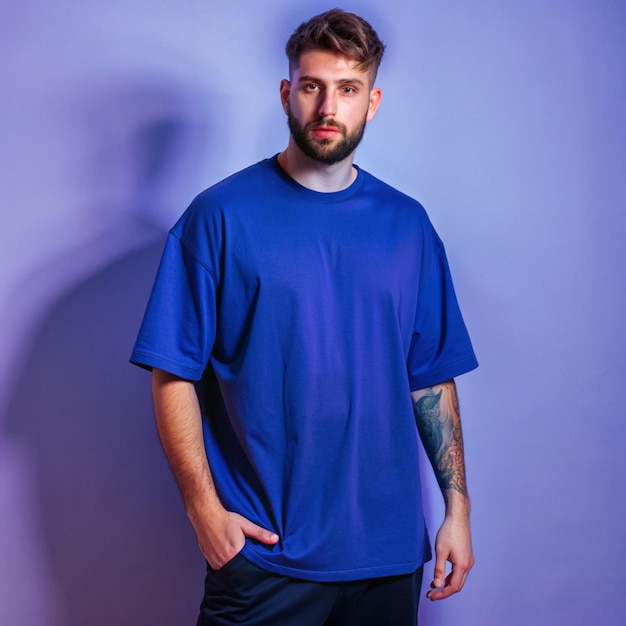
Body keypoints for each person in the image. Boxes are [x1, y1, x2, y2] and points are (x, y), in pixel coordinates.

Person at [131, 8, 478, 625]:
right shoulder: (219, 218)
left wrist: (457, 509)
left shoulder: (409, 227)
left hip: (390, 559)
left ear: (371, 102)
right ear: (287, 93)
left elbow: (429, 378)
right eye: (313, 86)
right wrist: (202, 510)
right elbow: (171, 372)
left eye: (346, 90)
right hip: (265, 560)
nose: (327, 107)